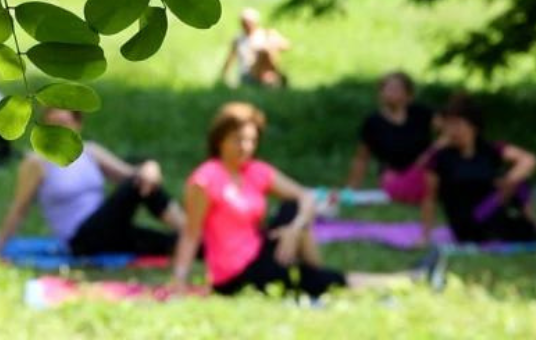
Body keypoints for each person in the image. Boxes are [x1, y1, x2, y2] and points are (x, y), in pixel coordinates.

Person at [172, 102, 434, 299]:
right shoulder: (205, 180)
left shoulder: (256, 170)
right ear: (220, 141)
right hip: (235, 274)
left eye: (251, 140)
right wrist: (180, 280)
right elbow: (191, 234)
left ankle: (317, 272)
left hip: (262, 251)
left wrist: (295, 228)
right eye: (238, 140)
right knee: (314, 278)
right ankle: (406, 280)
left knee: (294, 208)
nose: (246, 147)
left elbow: (305, 196)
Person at [0, 108, 185, 257]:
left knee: (175, 243)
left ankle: (198, 238)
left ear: (77, 126)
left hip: (108, 229)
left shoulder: (89, 151)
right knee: (138, 182)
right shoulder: (36, 162)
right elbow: (19, 208)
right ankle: (190, 229)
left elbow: (131, 173)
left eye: (64, 124)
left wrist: (151, 166)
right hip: (81, 239)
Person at [421, 93, 536, 245]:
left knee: (518, 182)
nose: (452, 131)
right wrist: (425, 236)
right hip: (466, 223)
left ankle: (532, 224)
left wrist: (508, 180)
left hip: (491, 213)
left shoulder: (489, 149)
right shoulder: (440, 158)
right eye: (448, 125)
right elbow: (429, 198)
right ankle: (534, 226)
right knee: (515, 193)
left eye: (457, 125)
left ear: (473, 127)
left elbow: (529, 160)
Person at [342, 72, 438, 204]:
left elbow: (451, 131)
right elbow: (361, 159)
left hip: (426, 172)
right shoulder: (373, 122)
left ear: (408, 94)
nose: (390, 93)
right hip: (394, 177)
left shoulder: (422, 113)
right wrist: (351, 190)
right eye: (386, 88)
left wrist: (433, 151)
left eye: (396, 89)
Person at [220, 8, 291, 88]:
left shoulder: (265, 34)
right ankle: (278, 77)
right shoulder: (238, 39)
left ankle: (275, 77)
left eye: (247, 22)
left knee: (266, 51)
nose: (245, 25)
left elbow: (286, 45)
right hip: (248, 72)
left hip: (265, 69)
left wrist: (270, 42)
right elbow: (229, 59)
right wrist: (223, 77)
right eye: (243, 22)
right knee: (264, 52)